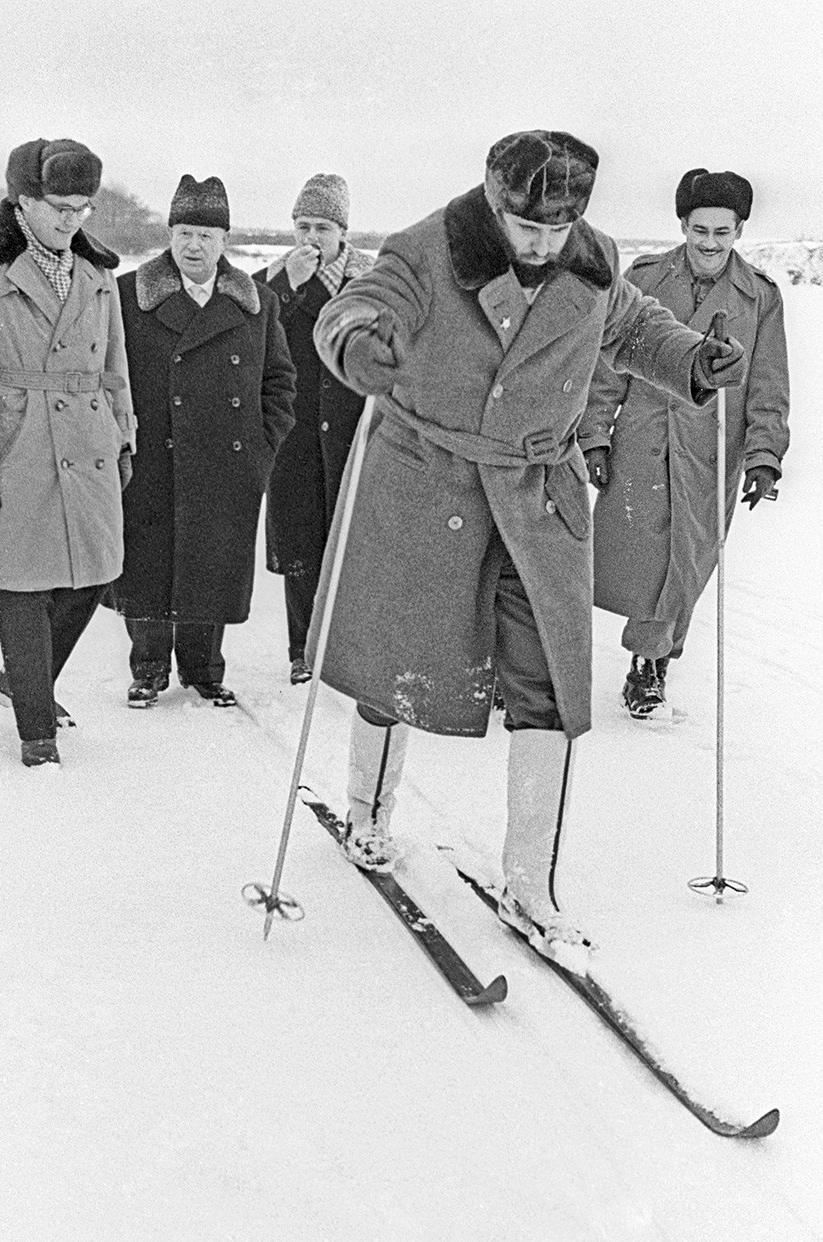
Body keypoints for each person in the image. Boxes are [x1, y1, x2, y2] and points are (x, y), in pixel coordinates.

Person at [309, 130, 746, 969]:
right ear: (494, 200)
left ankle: (530, 885)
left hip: (538, 496)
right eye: (528, 228)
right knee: (402, 663)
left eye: (560, 227)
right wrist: (357, 342)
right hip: (429, 484)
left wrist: (696, 358)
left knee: (550, 686)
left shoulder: (591, 261)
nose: (545, 244)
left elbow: (634, 327)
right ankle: (368, 813)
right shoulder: (429, 248)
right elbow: (357, 306)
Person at [0, 137, 135, 767]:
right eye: (59, 206)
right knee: (21, 583)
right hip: (15, 439)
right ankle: (35, 733)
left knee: (94, 575)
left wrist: (122, 434)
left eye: (83, 208)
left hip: (87, 435)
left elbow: (115, 367)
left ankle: (19, 682)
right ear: (24, 201)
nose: (72, 219)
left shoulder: (97, 272)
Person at [579, 169, 789, 719]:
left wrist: (765, 456)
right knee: (619, 556)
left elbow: (769, 384)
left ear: (739, 230)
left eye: (723, 231)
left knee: (686, 564)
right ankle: (551, 653)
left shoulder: (759, 297)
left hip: (712, 450)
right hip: (644, 440)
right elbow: (608, 365)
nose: (710, 243)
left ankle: (652, 664)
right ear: (683, 225)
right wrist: (595, 434)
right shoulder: (646, 277)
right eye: (700, 230)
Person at [109, 175, 296, 708]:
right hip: (151, 456)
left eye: (207, 235)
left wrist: (261, 447)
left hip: (227, 462)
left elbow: (279, 382)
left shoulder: (257, 302)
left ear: (224, 241)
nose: (194, 245)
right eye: (185, 232)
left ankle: (203, 668)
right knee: (147, 560)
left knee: (212, 563)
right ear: (170, 234)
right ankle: (147, 668)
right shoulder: (129, 295)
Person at [254, 174, 374, 684]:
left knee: (352, 542)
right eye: (302, 225)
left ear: (342, 232)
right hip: (295, 434)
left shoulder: (370, 282)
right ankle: (302, 650)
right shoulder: (270, 282)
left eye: (322, 227)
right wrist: (289, 287)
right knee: (301, 542)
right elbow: (254, 334)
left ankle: (349, 651)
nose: (311, 237)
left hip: (355, 433)